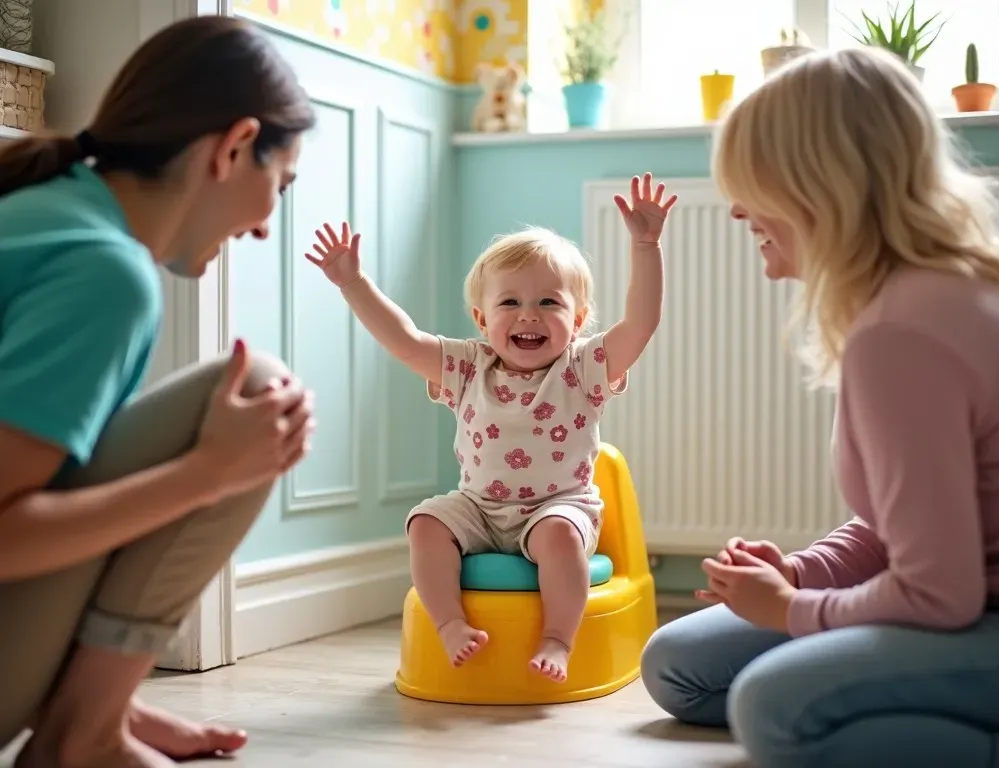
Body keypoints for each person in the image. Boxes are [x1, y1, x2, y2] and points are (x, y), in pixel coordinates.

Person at [640, 46, 999, 768]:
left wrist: (788, 611)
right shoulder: (921, 296)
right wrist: (803, 573)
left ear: (818, 187)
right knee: (681, 664)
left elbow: (940, 593)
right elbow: (905, 525)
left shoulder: (901, 334)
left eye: (752, 186)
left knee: (770, 708)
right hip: (972, 608)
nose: (736, 210)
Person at [0, 16, 317, 768]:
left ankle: (100, 717)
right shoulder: (104, 272)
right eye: (280, 183)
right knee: (261, 396)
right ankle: (85, 741)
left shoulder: (46, 212)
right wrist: (207, 473)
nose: (269, 227)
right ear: (234, 147)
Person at [304, 174, 676, 681]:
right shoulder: (467, 367)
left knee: (561, 537)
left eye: (549, 302)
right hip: (478, 507)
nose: (529, 316)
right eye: (510, 303)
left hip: (557, 505)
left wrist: (646, 244)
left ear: (580, 317)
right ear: (482, 320)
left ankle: (558, 639)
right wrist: (353, 283)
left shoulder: (582, 369)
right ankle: (450, 625)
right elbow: (404, 340)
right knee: (426, 523)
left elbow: (642, 322)